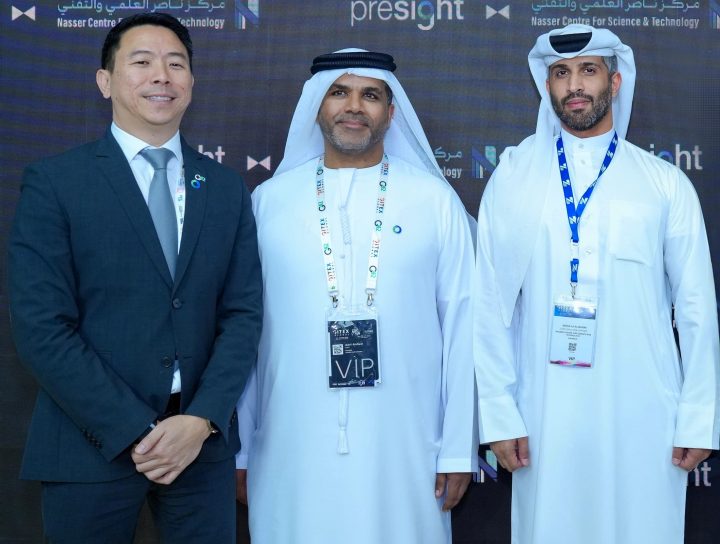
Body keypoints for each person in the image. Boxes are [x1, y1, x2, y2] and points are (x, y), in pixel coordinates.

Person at [8, 12, 262, 543]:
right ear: (105, 81)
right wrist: (137, 429)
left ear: (192, 82)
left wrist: (201, 419)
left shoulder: (224, 188)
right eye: (142, 62)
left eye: (176, 64)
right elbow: (41, 326)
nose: (161, 76)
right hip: (89, 442)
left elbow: (242, 315)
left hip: (199, 447)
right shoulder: (57, 183)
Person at [474, 24, 719, 544]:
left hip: (645, 414)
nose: (575, 85)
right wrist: (498, 412)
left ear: (615, 80)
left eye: (588, 70)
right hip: (543, 414)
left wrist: (699, 417)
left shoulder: (663, 183)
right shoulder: (513, 179)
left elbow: (696, 308)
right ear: (546, 85)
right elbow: (490, 308)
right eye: (561, 73)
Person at [235, 49, 476, 543]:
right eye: (338, 93)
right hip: (288, 445)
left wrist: (457, 448)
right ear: (315, 107)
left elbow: (463, 327)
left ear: (391, 112)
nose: (353, 106)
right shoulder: (268, 202)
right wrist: (240, 450)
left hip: (407, 446)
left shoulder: (434, 201)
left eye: (370, 95)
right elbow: (244, 333)